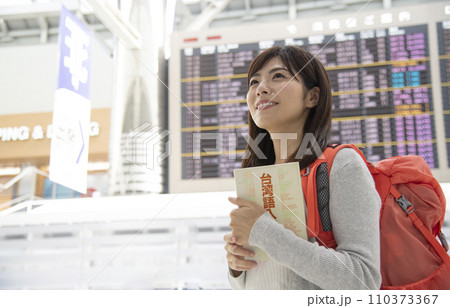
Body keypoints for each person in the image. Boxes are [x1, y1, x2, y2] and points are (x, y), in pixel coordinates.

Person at [224, 45, 381, 290]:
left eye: (278, 76)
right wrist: (237, 266)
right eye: (254, 82)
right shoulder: (257, 177)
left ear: (312, 97)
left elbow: (364, 280)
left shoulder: (341, 165)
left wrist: (262, 231)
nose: (260, 89)